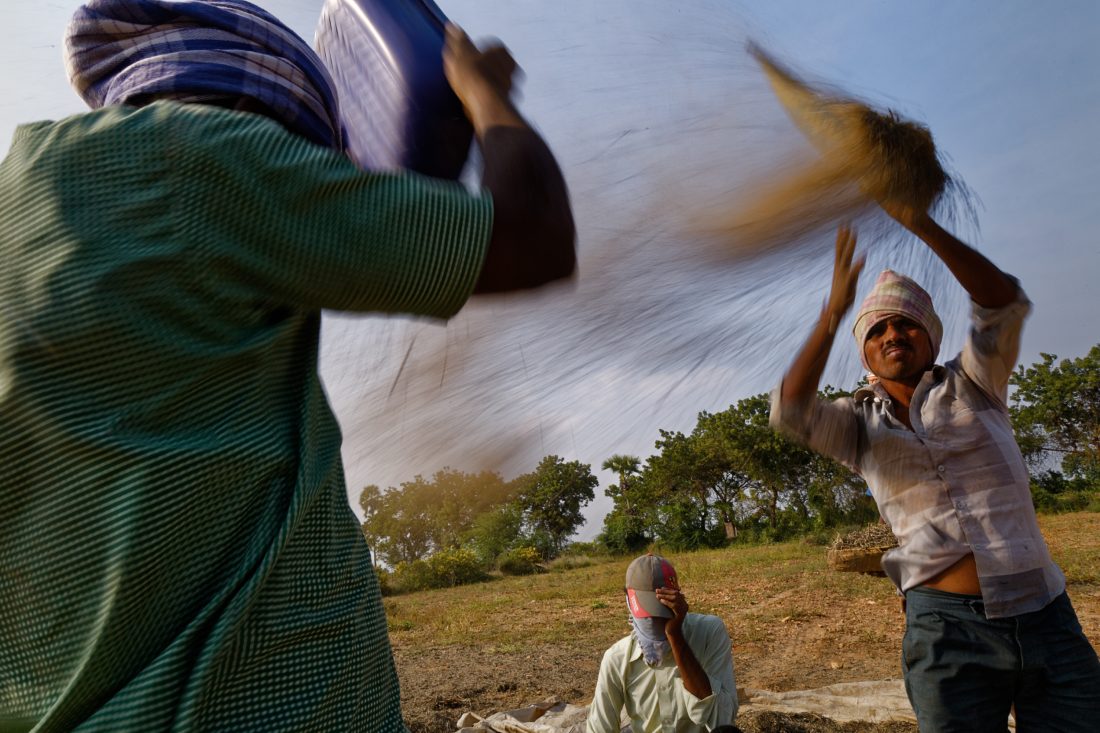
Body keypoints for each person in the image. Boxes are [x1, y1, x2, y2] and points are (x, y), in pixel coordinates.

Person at [0, 1, 574, 730]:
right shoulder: (203, 160)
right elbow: (535, 231)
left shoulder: (22, 203)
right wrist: (479, 90)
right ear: (253, 116)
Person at [770, 212, 1100, 732]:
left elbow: (1003, 302)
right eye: (877, 328)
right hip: (945, 631)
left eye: (906, 323)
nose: (892, 333)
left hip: (1045, 615)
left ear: (930, 336)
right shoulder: (856, 423)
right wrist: (833, 314)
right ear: (865, 352)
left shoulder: (976, 381)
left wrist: (917, 221)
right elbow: (791, 409)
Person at [586, 554, 737, 733]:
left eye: (662, 613)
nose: (655, 621)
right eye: (648, 615)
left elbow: (722, 719)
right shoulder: (617, 658)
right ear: (627, 599)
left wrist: (675, 635)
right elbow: (600, 728)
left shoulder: (709, 632)